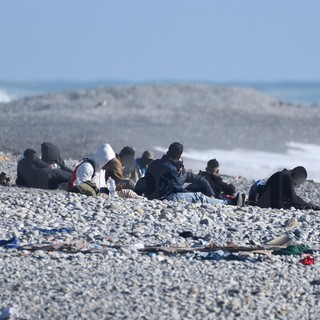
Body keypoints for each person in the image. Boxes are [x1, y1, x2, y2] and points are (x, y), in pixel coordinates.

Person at [144, 142, 226, 205]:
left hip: (149, 196)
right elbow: (177, 189)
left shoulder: (154, 163)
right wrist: (192, 193)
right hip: (164, 198)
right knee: (199, 196)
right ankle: (224, 203)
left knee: (197, 193)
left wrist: (210, 192)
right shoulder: (171, 169)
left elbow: (198, 178)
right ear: (178, 156)